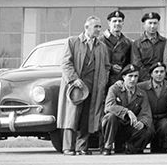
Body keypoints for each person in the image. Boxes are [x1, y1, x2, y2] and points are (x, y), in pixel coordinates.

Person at [57, 15, 110, 155]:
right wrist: (74, 79)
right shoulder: (72, 42)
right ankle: (68, 147)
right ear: (86, 27)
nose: (99, 29)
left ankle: (82, 147)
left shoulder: (102, 47)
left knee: (87, 117)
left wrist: (102, 82)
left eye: (100, 26)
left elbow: (106, 66)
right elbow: (65, 63)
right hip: (75, 87)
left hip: (93, 88)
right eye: (96, 26)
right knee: (72, 116)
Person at [101, 64, 153, 155]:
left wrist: (142, 122)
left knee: (148, 130)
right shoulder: (114, 89)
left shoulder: (141, 93)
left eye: (136, 76)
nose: (133, 79)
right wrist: (127, 111)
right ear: (124, 77)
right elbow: (108, 106)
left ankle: (131, 147)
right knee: (110, 117)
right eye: (130, 76)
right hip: (117, 125)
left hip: (131, 126)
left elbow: (146, 113)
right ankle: (107, 146)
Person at [138, 61, 167, 153]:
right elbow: (128, 86)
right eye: (156, 72)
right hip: (148, 117)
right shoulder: (141, 86)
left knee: (164, 125)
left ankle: (162, 146)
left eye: (162, 72)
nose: (159, 74)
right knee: (148, 130)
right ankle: (138, 146)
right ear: (151, 74)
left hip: (163, 117)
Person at [100, 9, 132, 101]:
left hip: (119, 80)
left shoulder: (127, 42)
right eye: (114, 21)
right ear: (109, 23)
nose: (117, 23)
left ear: (123, 23)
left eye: (120, 21)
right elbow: (96, 61)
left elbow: (129, 63)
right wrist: (110, 66)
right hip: (103, 79)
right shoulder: (100, 40)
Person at [130, 11, 167, 83]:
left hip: (162, 80)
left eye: (155, 23)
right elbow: (137, 64)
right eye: (150, 23)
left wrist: (161, 77)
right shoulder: (137, 43)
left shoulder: (165, 42)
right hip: (143, 81)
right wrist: (149, 80)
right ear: (144, 25)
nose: (152, 26)